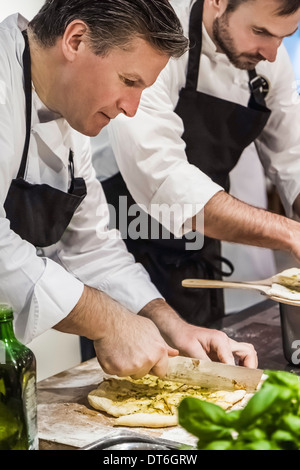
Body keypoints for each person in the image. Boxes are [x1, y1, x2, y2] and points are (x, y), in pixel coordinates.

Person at [0, 0, 258, 378]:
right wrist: (107, 321)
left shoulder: (71, 117)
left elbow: (92, 247)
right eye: (129, 81)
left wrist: (172, 326)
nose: (132, 109)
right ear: (75, 40)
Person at [92, 0, 300, 328]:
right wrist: (289, 233)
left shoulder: (269, 58)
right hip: (125, 242)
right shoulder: (150, 31)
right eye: (259, 31)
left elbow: (293, 158)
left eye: (284, 36)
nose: (272, 53)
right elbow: (163, 176)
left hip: (199, 247)